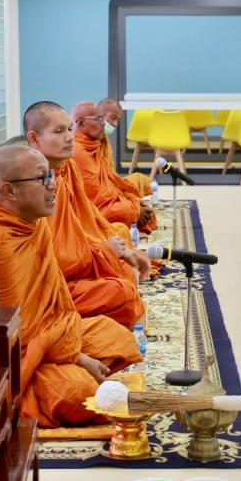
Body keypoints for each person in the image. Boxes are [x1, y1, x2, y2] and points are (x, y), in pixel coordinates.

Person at [0, 144, 142, 428]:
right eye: (42, 178)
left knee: (117, 338)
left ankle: (67, 368)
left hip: (46, 342)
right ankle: (49, 384)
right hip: (3, 360)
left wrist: (70, 348)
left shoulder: (33, 224)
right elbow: (15, 336)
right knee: (79, 391)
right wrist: (77, 357)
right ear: (9, 190)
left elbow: (51, 304)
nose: (52, 185)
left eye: (50, 175)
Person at [23, 100, 149, 327]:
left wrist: (109, 246)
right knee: (122, 293)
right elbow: (57, 261)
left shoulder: (67, 167)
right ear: (34, 139)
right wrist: (104, 252)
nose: (69, 137)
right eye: (59, 131)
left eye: (69, 129)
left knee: (120, 242)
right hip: (53, 286)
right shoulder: (32, 184)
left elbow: (88, 213)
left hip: (80, 258)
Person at [71, 101, 157, 234]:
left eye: (102, 118)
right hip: (91, 211)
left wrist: (132, 201)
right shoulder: (78, 151)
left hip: (106, 200)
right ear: (81, 123)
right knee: (125, 212)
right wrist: (133, 208)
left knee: (139, 185)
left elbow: (109, 180)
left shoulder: (94, 143)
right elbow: (94, 198)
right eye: (99, 118)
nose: (104, 123)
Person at [98, 97, 153, 197]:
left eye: (118, 120)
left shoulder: (104, 139)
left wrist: (117, 184)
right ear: (99, 115)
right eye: (113, 118)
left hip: (109, 184)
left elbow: (110, 172)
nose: (115, 124)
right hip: (99, 190)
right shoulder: (85, 142)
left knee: (141, 180)